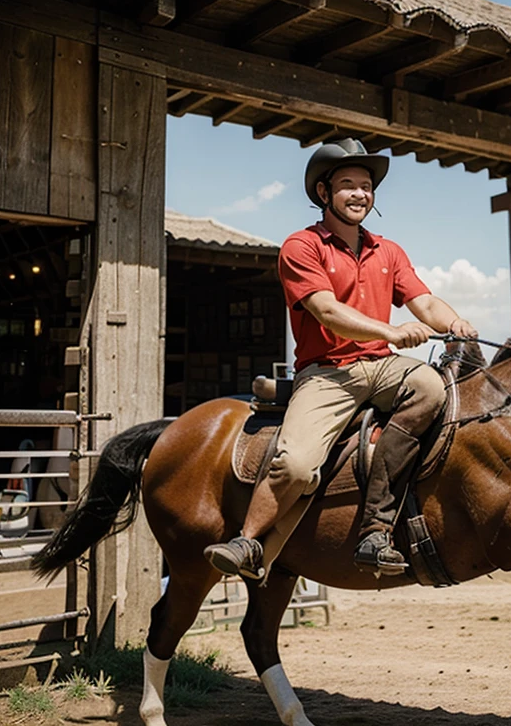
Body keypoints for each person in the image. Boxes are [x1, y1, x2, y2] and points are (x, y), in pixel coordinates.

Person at [204, 138, 477, 578]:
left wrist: (456, 323)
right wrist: (391, 331)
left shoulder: (389, 251)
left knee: (429, 386)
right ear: (323, 194)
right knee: (294, 463)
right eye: (347, 184)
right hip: (327, 373)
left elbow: (425, 303)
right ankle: (249, 542)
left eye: (366, 186)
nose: (359, 194)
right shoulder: (301, 246)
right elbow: (327, 311)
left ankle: (375, 530)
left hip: (383, 366)